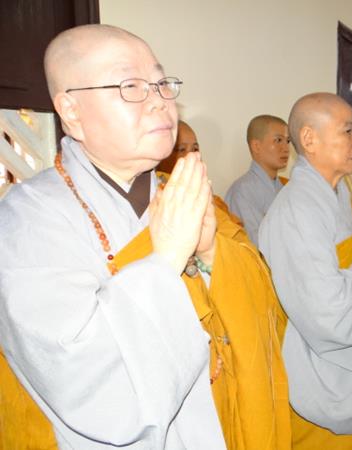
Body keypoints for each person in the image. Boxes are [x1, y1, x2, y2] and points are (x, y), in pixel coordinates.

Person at [0, 24, 288, 450]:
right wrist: (166, 260)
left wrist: (212, 253)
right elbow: (87, 385)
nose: (159, 101)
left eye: (161, 82)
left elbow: (267, 314)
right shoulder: (29, 219)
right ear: (71, 111)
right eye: (131, 86)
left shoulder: (188, 196)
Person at [259, 92, 352, 450]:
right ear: (309, 139)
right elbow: (331, 314)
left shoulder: (340, 196)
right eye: (348, 131)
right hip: (327, 372)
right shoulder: (298, 209)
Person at [152, 120, 292, 449]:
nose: (190, 156)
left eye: (195, 148)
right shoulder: (158, 209)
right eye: (180, 149)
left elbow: (252, 260)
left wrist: (212, 253)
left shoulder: (216, 206)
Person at [225, 114, 290, 245]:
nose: (286, 148)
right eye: (278, 140)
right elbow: (255, 243)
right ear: (256, 146)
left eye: (288, 141)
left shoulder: (286, 186)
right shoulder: (242, 191)